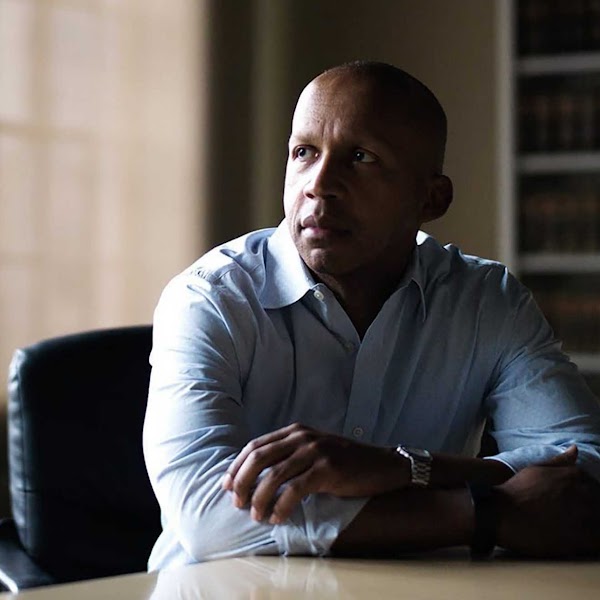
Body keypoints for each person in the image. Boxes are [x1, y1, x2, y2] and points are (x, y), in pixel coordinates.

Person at [143, 61, 600, 570]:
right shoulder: (210, 300)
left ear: (432, 198)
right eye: (304, 153)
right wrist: (483, 512)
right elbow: (207, 516)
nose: (319, 185)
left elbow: (583, 468)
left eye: (360, 157)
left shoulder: (486, 300)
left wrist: (404, 469)